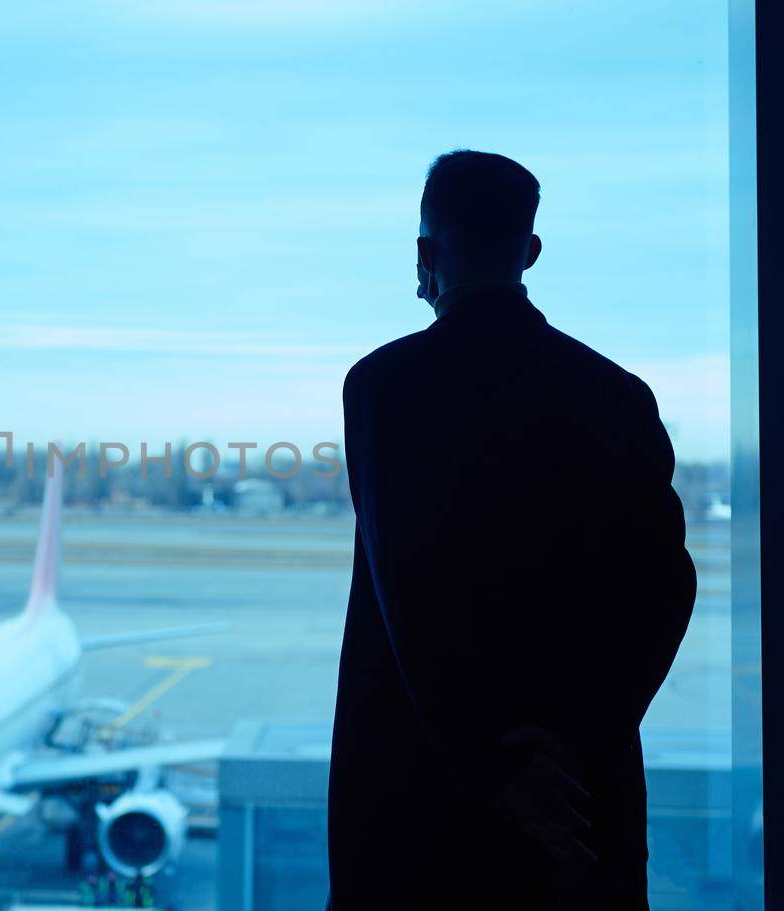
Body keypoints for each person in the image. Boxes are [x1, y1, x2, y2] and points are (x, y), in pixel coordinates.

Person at [327, 150, 696, 909]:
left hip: (416, 812)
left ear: (426, 256)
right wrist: (574, 738)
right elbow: (667, 589)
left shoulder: (382, 387)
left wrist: (490, 767)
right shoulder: (617, 395)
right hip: (577, 806)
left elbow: (411, 596)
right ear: (529, 253)